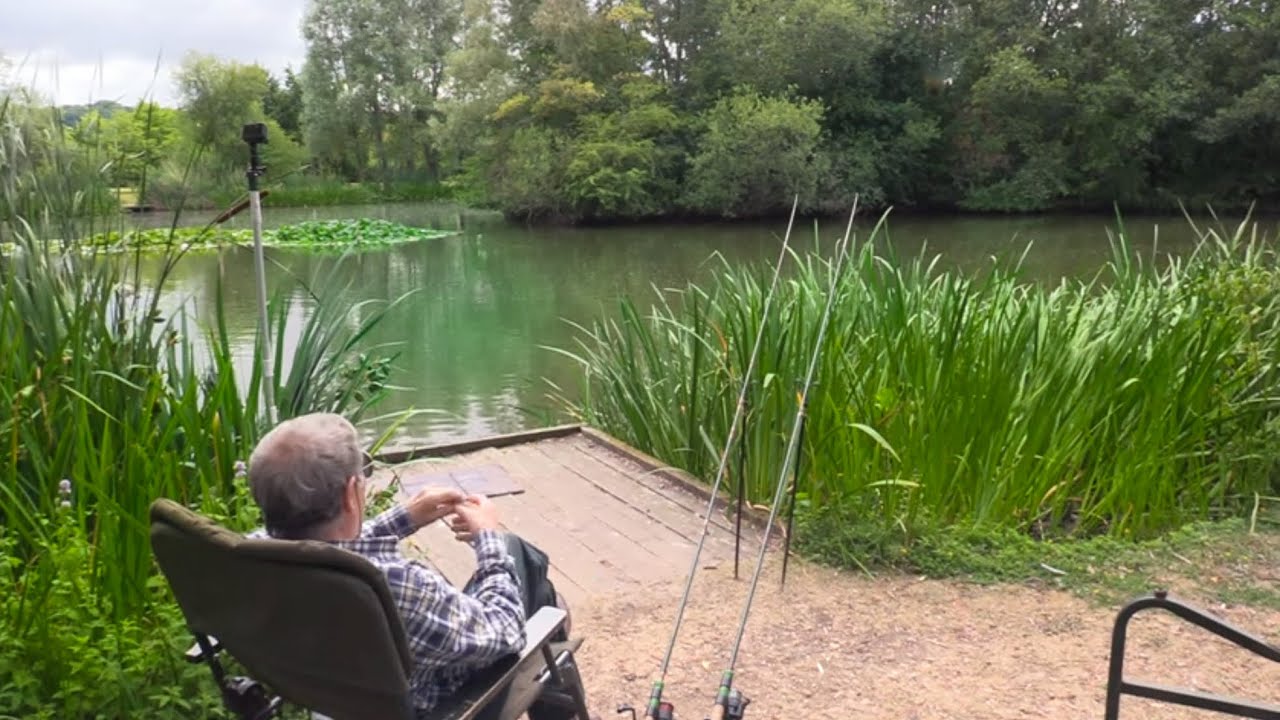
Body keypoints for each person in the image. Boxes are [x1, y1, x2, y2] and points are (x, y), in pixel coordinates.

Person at [243, 412, 572, 718]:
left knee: (530, 574)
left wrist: (403, 519)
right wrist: (489, 538)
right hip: (439, 705)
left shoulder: (254, 555)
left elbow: (324, 546)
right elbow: (505, 629)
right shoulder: (390, 586)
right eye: (363, 476)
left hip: (333, 697)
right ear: (350, 495)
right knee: (533, 577)